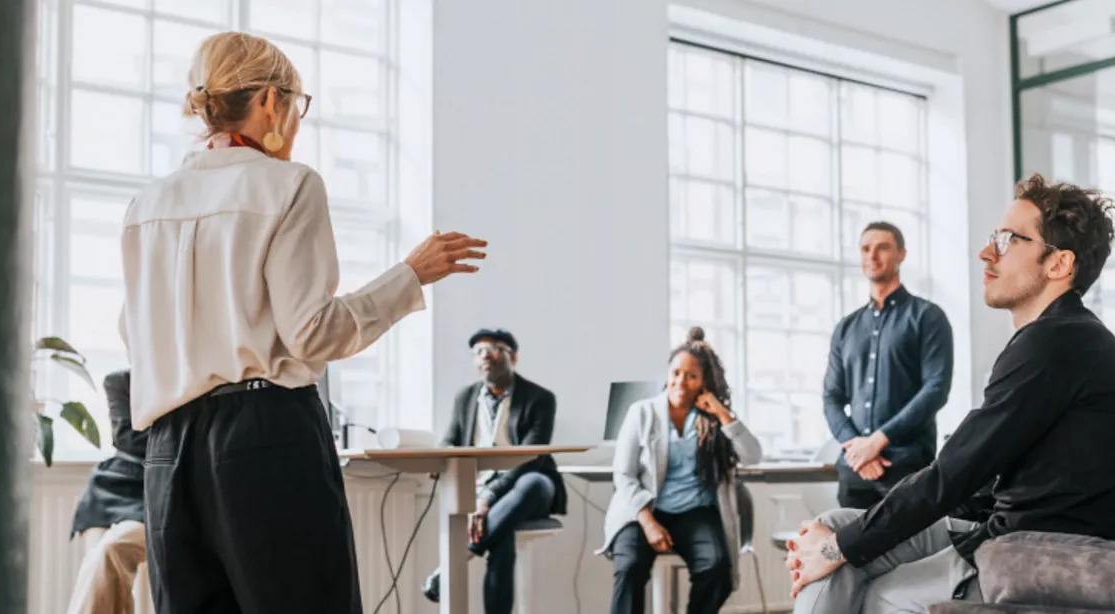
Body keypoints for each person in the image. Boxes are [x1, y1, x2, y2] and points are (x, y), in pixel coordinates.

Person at [120, 32, 485, 613]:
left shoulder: (147, 204)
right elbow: (313, 331)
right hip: (262, 436)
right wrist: (409, 276)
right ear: (269, 100)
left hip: (167, 448)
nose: (295, 121)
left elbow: (134, 336)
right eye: (296, 104)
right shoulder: (290, 185)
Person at [784, 175, 1115, 614]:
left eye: (1008, 239)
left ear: (1058, 264)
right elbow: (979, 477)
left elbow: (952, 473)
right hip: (1008, 533)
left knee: (863, 583)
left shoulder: (1055, 344)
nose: (987, 252)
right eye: (992, 238)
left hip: (1045, 559)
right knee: (831, 527)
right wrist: (839, 544)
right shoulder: (1060, 337)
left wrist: (838, 552)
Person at [598, 328, 763, 614]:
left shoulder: (713, 419)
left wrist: (724, 415)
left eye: (691, 376)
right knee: (630, 567)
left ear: (705, 382)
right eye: (675, 373)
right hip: (642, 510)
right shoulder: (642, 412)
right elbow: (623, 475)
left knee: (717, 567)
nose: (681, 383)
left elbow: (753, 456)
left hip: (695, 512)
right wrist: (648, 523)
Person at [421, 328, 566, 613]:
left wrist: (486, 498)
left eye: (494, 349)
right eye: (478, 352)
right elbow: (451, 438)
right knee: (502, 539)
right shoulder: (465, 398)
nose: (486, 355)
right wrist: (439, 459)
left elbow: (530, 458)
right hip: (479, 494)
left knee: (534, 481)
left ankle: (453, 563)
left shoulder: (540, 399)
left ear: (514, 356)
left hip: (527, 489)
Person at [823, 222, 953, 508]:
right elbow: (831, 397)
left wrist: (878, 441)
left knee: (908, 553)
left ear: (901, 255)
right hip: (854, 469)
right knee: (847, 553)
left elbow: (936, 389)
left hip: (907, 468)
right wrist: (856, 446)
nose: (873, 255)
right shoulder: (846, 327)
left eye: (883, 247)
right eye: (866, 248)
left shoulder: (928, 317)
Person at [66, 370, 152, 614]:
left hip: (155, 489)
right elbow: (126, 438)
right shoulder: (119, 380)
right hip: (111, 487)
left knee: (108, 554)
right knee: (98, 566)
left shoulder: (183, 378)